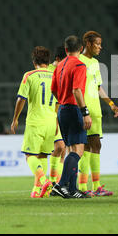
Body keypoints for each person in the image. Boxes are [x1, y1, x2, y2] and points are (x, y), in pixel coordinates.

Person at [78, 31, 118, 196]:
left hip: (95, 111)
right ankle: (84, 187)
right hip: (84, 111)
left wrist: (111, 104)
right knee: (85, 146)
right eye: (97, 44)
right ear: (88, 43)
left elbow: (97, 87)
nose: (100, 47)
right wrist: (82, 110)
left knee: (95, 145)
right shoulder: (78, 61)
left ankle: (94, 187)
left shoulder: (95, 63)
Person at [10, 46, 56, 198]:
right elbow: (59, 101)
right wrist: (56, 121)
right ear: (48, 61)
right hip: (51, 121)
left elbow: (21, 99)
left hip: (36, 122)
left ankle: (44, 181)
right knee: (42, 156)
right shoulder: (55, 76)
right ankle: (38, 191)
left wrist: (15, 118)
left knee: (30, 155)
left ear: (34, 60)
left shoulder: (29, 75)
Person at [50, 35, 92, 199]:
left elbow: (54, 89)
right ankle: (60, 185)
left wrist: (62, 100)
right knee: (78, 151)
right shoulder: (80, 65)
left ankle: (73, 189)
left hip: (62, 109)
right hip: (74, 109)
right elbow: (76, 90)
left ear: (66, 49)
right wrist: (85, 112)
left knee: (71, 150)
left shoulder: (59, 66)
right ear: (81, 49)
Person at [47, 45, 67, 185]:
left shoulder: (61, 71)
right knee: (59, 146)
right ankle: (53, 182)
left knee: (63, 148)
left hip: (61, 112)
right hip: (48, 114)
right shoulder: (49, 71)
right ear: (58, 59)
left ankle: (57, 181)